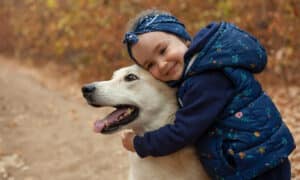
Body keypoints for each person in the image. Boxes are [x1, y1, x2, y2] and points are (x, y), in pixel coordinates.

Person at [121, 9, 295, 179]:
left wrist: (139, 144)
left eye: (163, 50)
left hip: (256, 163)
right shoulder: (202, 69)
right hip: (255, 157)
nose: (162, 64)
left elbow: (182, 132)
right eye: (150, 65)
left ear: (185, 40)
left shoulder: (205, 80)